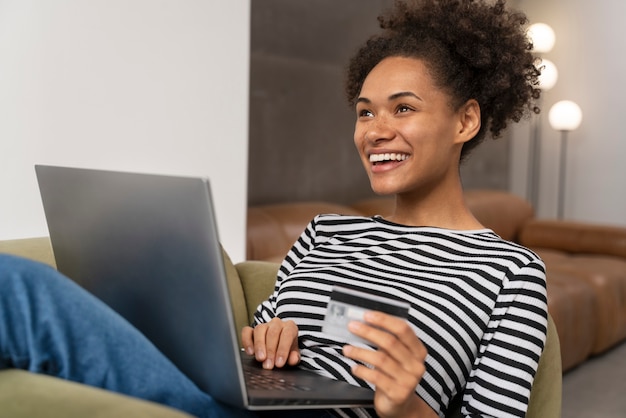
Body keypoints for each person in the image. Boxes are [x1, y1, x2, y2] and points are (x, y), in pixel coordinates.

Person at [0, 1, 546, 417]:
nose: (376, 131)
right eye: (364, 112)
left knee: (17, 293)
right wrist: (265, 338)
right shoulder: (325, 232)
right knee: (13, 285)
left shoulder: (511, 274)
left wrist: (408, 406)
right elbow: (254, 346)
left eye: (403, 108)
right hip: (222, 403)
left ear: (465, 121)